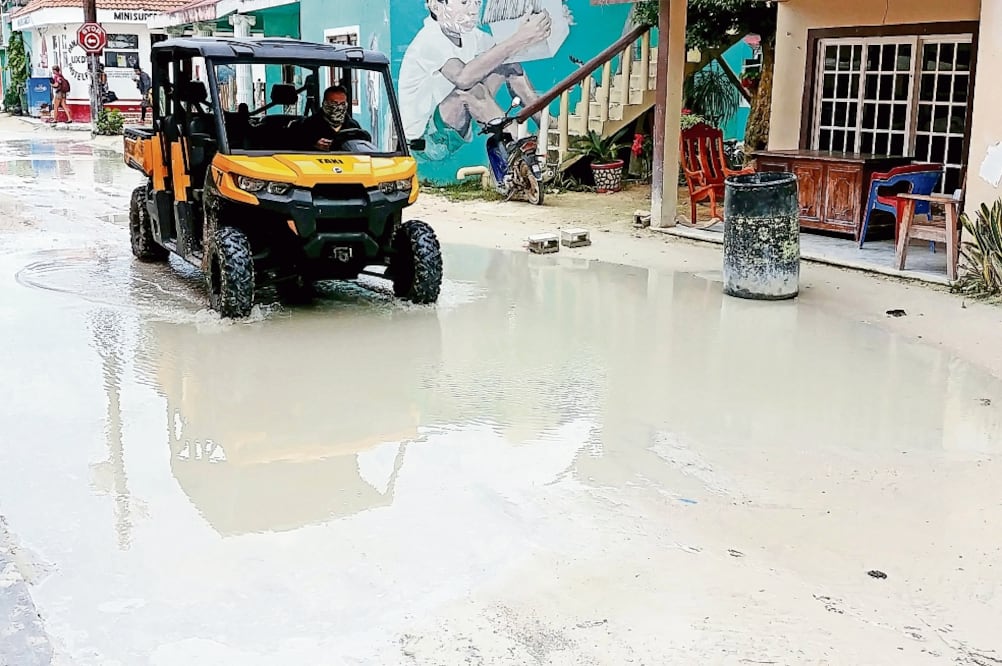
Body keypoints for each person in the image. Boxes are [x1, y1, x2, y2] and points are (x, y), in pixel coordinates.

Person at [397, 0, 550, 160]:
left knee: (508, 64)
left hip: (452, 126)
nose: (474, 10)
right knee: (469, 91)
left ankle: (546, 124)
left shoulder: (470, 35)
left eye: (476, 2)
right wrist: (519, 39)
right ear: (436, 6)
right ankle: (521, 139)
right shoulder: (428, 40)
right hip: (426, 142)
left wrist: (528, 34)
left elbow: (502, 50)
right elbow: (463, 78)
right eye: (464, 2)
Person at [296, 85, 370, 151]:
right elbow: (296, 149)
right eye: (334, 103)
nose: (338, 107)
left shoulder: (353, 126)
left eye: (342, 104)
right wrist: (313, 145)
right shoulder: (308, 124)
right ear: (325, 103)